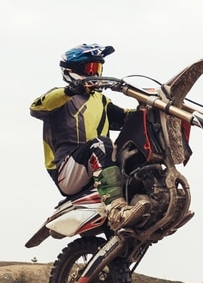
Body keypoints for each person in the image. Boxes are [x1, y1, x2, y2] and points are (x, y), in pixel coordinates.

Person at [30, 43, 150, 231]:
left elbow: (127, 118)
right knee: (101, 144)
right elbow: (35, 108)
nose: (96, 74)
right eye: (91, 68)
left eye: (98, 68)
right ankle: (117, 210)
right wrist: (71, 90)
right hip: (66, 171)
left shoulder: (100, 100)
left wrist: (149, 110)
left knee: (133, 148)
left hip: (96, 169)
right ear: (73, 71)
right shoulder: (60, 97)